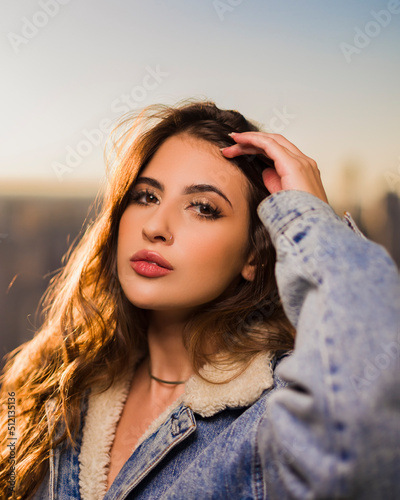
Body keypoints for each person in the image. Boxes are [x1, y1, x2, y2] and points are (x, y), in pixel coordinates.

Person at [0, 100, 399, 499]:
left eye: (203, 208)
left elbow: (367, 411)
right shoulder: (55, 381)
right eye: (146, 197)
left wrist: (308, 218)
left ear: (253, 257)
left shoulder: (271, 421)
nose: (156, 227)